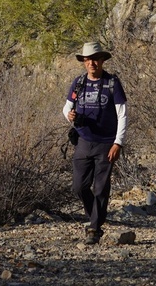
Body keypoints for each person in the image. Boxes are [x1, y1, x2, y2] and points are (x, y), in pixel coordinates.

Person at [63, 41, 127, 245]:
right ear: (83, 61)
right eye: (88, 59)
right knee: (78, 187)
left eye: (96, 59)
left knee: (100, 188)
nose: (92, 63)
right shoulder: (79, 83)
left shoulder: (112, 83)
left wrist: (118, 142)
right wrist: (70, 116)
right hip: (83, 141)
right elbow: (66, 108)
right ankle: (96, 218)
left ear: (102, 60)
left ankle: (94, 228)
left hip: (106, 144)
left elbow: (122, 115)